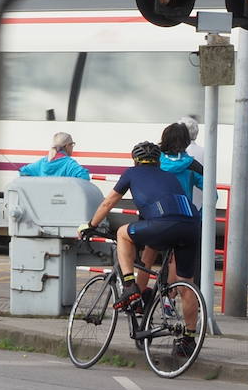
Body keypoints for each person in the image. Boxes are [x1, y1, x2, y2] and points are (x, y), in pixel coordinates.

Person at [81, 140, 201, 352]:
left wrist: (91, 225)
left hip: (162, 224)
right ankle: (188, 340)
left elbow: (109, 202)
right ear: (157, 162)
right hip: (191, 226)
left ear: (135, 160)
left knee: (122, 234)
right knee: (185, 285)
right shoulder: (170, 176)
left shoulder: (131, 173)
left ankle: (129, 287)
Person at [159, 121, 203, 210]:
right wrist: (200, 216)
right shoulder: (193, 165)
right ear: (186, 141)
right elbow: (213, 195)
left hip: (156, 216)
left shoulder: (154, 162)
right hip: (184, 216)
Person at [18, 132, 91, 180]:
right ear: (66, 146)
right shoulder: (69, 163)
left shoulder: (43, 162)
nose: (72, 147)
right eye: (72, 144)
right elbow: (84, 177)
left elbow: (23, 172)